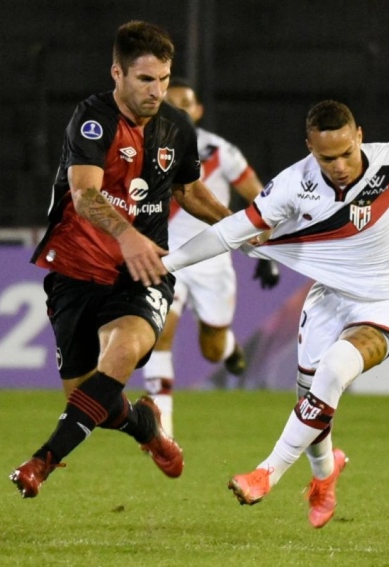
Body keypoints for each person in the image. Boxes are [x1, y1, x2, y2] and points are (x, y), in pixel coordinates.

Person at [160, 100, 389, 528]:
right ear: (310, 147)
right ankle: (325, 476)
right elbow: (231, 232)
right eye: (327, 157)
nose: (340, 165)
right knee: (312, 404)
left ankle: (266, 472)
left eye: (347, 152)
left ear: (359, 135)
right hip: (327, 301)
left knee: (335, 370)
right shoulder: (291, 184)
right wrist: (164, 264)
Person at [9, 20, 233, 498]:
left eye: (165, 79)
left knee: (125, 353)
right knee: (89, 398)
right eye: (146, 79)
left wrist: (240, 225)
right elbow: (85, 193)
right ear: (118, 73)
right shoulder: (91, 120)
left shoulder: (178, 126)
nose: (157, 91)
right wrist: (127, 234)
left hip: (141, 273)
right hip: (76, 268)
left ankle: (41, 462)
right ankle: (145, 426)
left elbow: (188, 189)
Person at [141, 78, 280, 436]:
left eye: (185, 103)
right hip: (163, 255)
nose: (178, 109)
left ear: (198, 110)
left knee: (212, 348)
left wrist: (269, 254)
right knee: (159, 334)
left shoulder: (220, 152)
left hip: (211, 259)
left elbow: (259, 199)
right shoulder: (140, 143)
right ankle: (163, 431)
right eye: (171, 103)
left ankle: (228, 346)